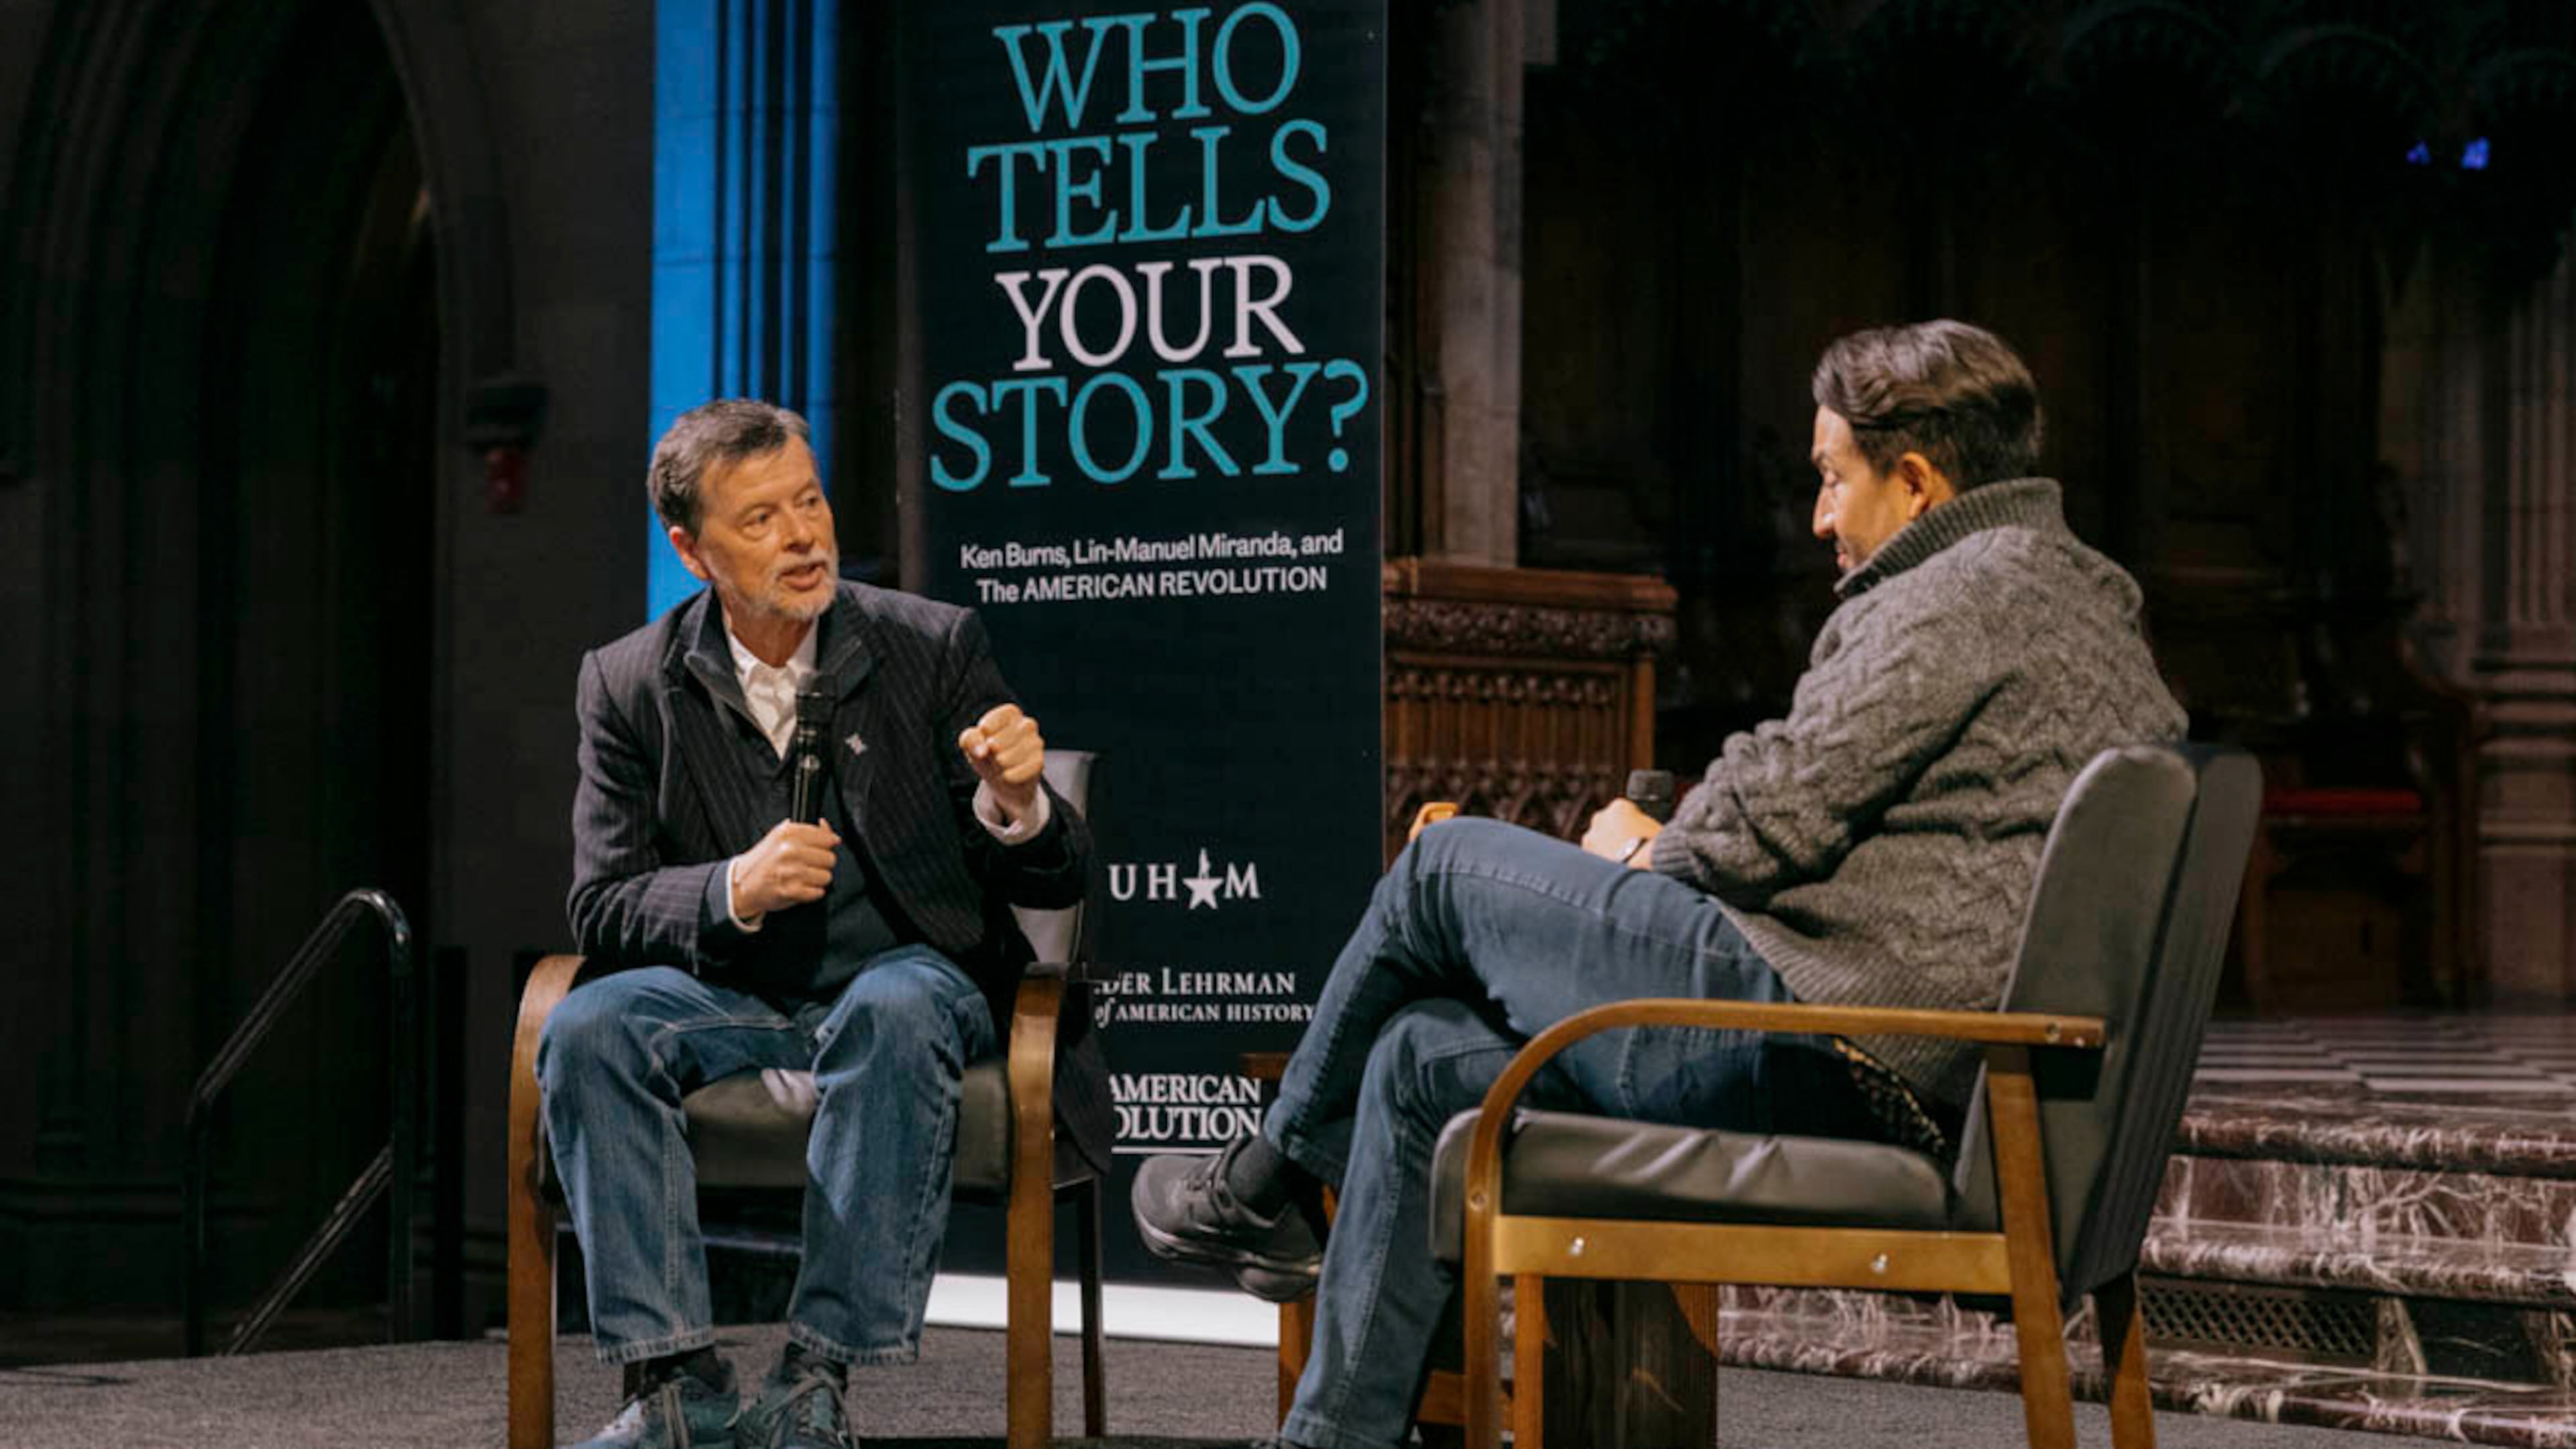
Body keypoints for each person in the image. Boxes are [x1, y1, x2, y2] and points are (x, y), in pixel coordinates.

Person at [1131, 321, 2189, 1449]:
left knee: (1441, 865)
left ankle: (1262, 1179)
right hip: (1936, 1071)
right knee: (1416, 1060)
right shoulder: (2086, 595)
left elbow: (1768, 813)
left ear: (1918, 480)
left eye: (1833, 479)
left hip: (1844, 1054)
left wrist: (1647, 845)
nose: (1823, 516)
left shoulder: (1961, 592)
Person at [543, 399, 1098, 1449]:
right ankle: (675, 1389)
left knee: (892, 1006)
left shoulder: (929, 648)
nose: (804, 538)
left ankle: (817, 1381)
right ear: (692, 550)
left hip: (910, 977)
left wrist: (1014, 804)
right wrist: (729, 891)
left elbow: (1058, 877)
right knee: (588, 1025)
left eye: (810, 502)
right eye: (761, 521)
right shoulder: (626, 684)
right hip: (738, 996)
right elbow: (600, 903)